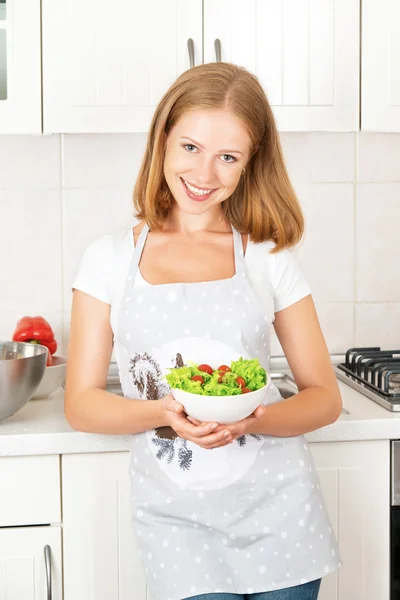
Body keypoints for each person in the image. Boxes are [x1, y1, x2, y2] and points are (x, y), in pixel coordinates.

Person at [65, 62, 343, 600]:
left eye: (228, 157)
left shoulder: (267, 257)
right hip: (178, 527)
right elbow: (81, 403)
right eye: (190, 147)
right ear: (162, 140)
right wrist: (162, 412)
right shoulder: (108, 260)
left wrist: (252, 420)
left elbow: (324, 397)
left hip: (280, 516)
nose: (205, 173)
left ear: (249, 165)